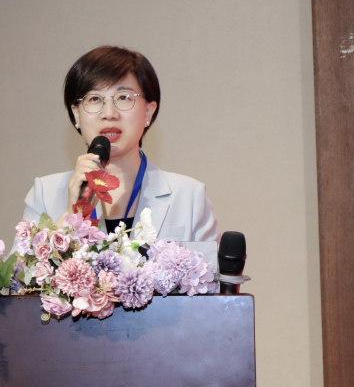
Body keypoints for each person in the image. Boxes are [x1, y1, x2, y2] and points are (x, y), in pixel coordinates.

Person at [13, 46, 219, 253]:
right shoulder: (44, 194)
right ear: (76, 115)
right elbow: (19, 272)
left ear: (148, 112)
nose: (109, 113)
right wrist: (70, 215)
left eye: (123, 97)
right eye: (94, 99)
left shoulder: (189, 197)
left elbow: (211, 273)